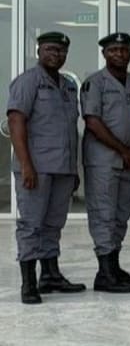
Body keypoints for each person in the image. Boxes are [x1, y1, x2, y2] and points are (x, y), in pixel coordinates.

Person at [8, 31, 86, 305]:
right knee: (31, 224)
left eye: (61, 51)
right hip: (36, 168)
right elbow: (16, 122)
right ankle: (29, 283)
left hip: (62, 168)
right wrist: (26, 165)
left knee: (54, 224)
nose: (56, 55)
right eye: (50, 49)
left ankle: (50, 275)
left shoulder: (68, 85)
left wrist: (74, 170)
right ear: (39, 51)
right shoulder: (28, 82)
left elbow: (69, 130)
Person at [81, 31, 130, 293]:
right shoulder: (95, 83)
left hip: (129, 162)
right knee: (103, 215)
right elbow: (92, 121)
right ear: (104, 54)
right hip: (103, 161)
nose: (119, 54)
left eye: (124, 50)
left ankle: (113, 267)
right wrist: (122, 150)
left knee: (120, 216)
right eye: (113, 50)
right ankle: (105, 273)